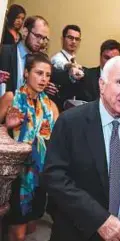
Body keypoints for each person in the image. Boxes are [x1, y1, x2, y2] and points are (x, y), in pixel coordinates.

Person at [42, 56, 120, 241]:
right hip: (78, 233)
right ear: (102, 84)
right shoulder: (71, 121)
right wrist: (99, 220)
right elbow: (54, 177)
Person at [0, 53, 58, 241]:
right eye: (39, 73)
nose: (43, 79)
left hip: (39, 176)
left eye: (48, 75)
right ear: (26, 73)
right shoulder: (11, 98)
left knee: (30, 227)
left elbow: (57, 143)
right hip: (13, 175)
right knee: (17, 233)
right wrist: (7, 126)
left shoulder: (51, 107)